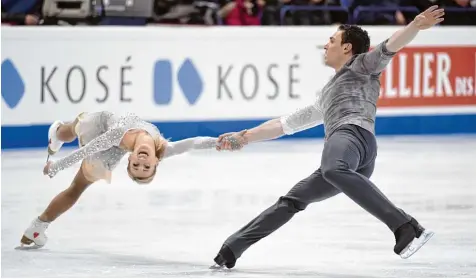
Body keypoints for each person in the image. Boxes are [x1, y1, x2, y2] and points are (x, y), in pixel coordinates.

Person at [211, 6, 444, 269]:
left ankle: (404, 225)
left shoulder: (361, 65)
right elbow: (284, 124)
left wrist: (414, 25)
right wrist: (243, 137)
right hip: (353, 155)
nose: (325, 45)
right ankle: (232, 247)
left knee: (334, 169)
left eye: (332, 40)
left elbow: (390, 46)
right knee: (292, 200)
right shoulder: (326, 94)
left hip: (350, 137)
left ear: (347, 47)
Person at [18, 111, 218, 249]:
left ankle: (37, 226)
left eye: (136, 166)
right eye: (146, 167)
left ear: (128, 158)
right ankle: (37, 227)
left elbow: (90, 148)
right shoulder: (164, 148)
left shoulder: (119, 136)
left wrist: (57, 167)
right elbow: (193, 143)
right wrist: (221, 142)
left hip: (102, 140)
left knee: (77, 184)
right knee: (78, 126)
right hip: (104, 129)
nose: (141, 162)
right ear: (156, 161)